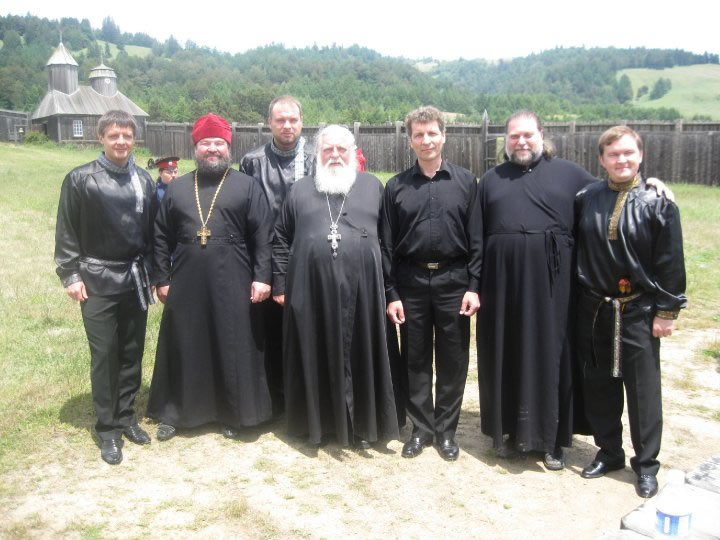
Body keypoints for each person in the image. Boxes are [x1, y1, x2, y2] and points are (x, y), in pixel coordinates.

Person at [475, 111, 671, 471]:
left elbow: (612, 191)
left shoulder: (572, 176)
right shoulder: (490, 180)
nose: (521, 141)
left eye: (528, 134)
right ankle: (509, 431)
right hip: (503, 287)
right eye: (514, 136)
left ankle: (552, 439)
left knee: (554, 357)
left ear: (541, 134)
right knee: (507, 352)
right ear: (505, 139)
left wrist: (648, 185)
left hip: (555, 287)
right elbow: (475, 236)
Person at [147, 113, 273, 441]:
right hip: (185, 278)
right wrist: (161, 278)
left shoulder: (247, 186)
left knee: (231, 342)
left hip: (235, 276)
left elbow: (263, 235)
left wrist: (262, 276)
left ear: (228, 147)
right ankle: (176, 412)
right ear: (196, 148)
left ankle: (232, 413)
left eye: (219, 143)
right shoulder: (177, 189)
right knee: (185, 341)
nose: (213, 149)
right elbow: (160, 236)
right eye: (206, 143)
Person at [575, 126, 686, 498]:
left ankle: (647, 464)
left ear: (640, 156)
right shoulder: (586, 198)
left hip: (639, 309)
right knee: (600, 384)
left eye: (628, 153)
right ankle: (609, 452)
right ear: (602, 159)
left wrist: (667, 311)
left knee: (643, 390)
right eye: (613, 154)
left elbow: (670, 261)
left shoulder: (658, 202)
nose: (621, 160)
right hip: (595, 307)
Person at [272, 125, 399, 448]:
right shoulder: (299, 190)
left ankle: (365, 426)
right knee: (314, 352)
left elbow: (388, 242)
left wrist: (391, 291)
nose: (335, 155)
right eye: (328, 149)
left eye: (342, 149)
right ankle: (317, 426)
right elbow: (281, 239)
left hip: (365, 293)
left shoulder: (372, 187)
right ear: (318, 154)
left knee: (363, 353)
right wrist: (281, 283)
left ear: (353, 153)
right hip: (311, 291)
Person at [54, 109, 156, 465]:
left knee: (131, 351)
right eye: (114, 135)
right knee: (105, 353)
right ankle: (107, 428)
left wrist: (155, 274)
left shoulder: (144, 180)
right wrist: (70, 274)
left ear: (134, 139)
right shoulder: (80, 179)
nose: (121, 142)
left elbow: (152, 233)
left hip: (135, 278)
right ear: (101, 138)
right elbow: (67, 229)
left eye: (127, 135)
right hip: (97, 278)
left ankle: (126, 416)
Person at [381, 106, 481, 461]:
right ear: (410, 140)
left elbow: (477, 239)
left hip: (454, 281)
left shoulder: (466, 183)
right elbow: (387, 245)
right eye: (419, 135)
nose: (426, 140)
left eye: (432, 133)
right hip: (411, 281)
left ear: (443, 135)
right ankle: (421, 428)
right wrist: (391, 292)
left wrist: (474, 286)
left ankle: (446, 430)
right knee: (415, 357)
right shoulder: (396, 187)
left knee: (453, 359)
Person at [240, 96, 316, 415]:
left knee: (306, 328)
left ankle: (307, 397)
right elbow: (245, 212)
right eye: (280, 120)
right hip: (266, 257)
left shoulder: (316, 159)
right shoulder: (253, 161)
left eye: (293, 120)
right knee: (269, 330)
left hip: (308, 256)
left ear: (302, 122)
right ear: (269, 123)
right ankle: (274, 398)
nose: (287, 125)